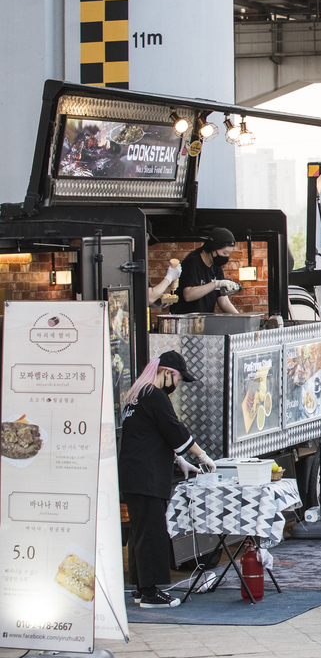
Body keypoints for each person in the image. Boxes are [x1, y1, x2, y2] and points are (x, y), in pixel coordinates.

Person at [118, 351, 216, 608]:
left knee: (141, 532)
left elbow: (150, 434)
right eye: (178, 378)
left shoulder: (136, 396)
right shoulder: (154, 395)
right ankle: (151, 594)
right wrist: (201, 455)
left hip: (132, 475)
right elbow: (175, 429)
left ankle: (142, 588)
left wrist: (178, 459)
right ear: (167, 373)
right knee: (152, 533)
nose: (178, 384)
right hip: (146, 477)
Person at [171, 227, 240, 315]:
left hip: (205, 319)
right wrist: (215, 284)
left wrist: (241, 318)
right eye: (224, 253)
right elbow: (188, 295)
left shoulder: (216, 267)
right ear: (213, 248)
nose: (226, 257)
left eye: (228, 254)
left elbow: (224, 301)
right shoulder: (192, 263)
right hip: (188, 319)